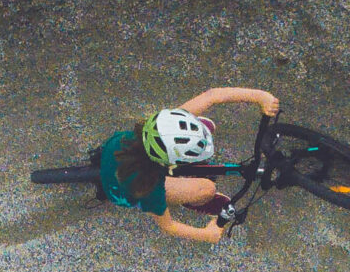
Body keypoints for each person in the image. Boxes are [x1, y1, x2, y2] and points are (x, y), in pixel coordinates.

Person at [95, 88, 280, 245]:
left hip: (114, 158)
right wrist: (208, 235)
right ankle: (189, 200)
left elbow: (212, 96)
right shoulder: (148, 188)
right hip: (120, 191)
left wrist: (259, 97)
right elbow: (168, 226)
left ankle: (184, 163)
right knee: (207, 189)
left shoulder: (153, 130)